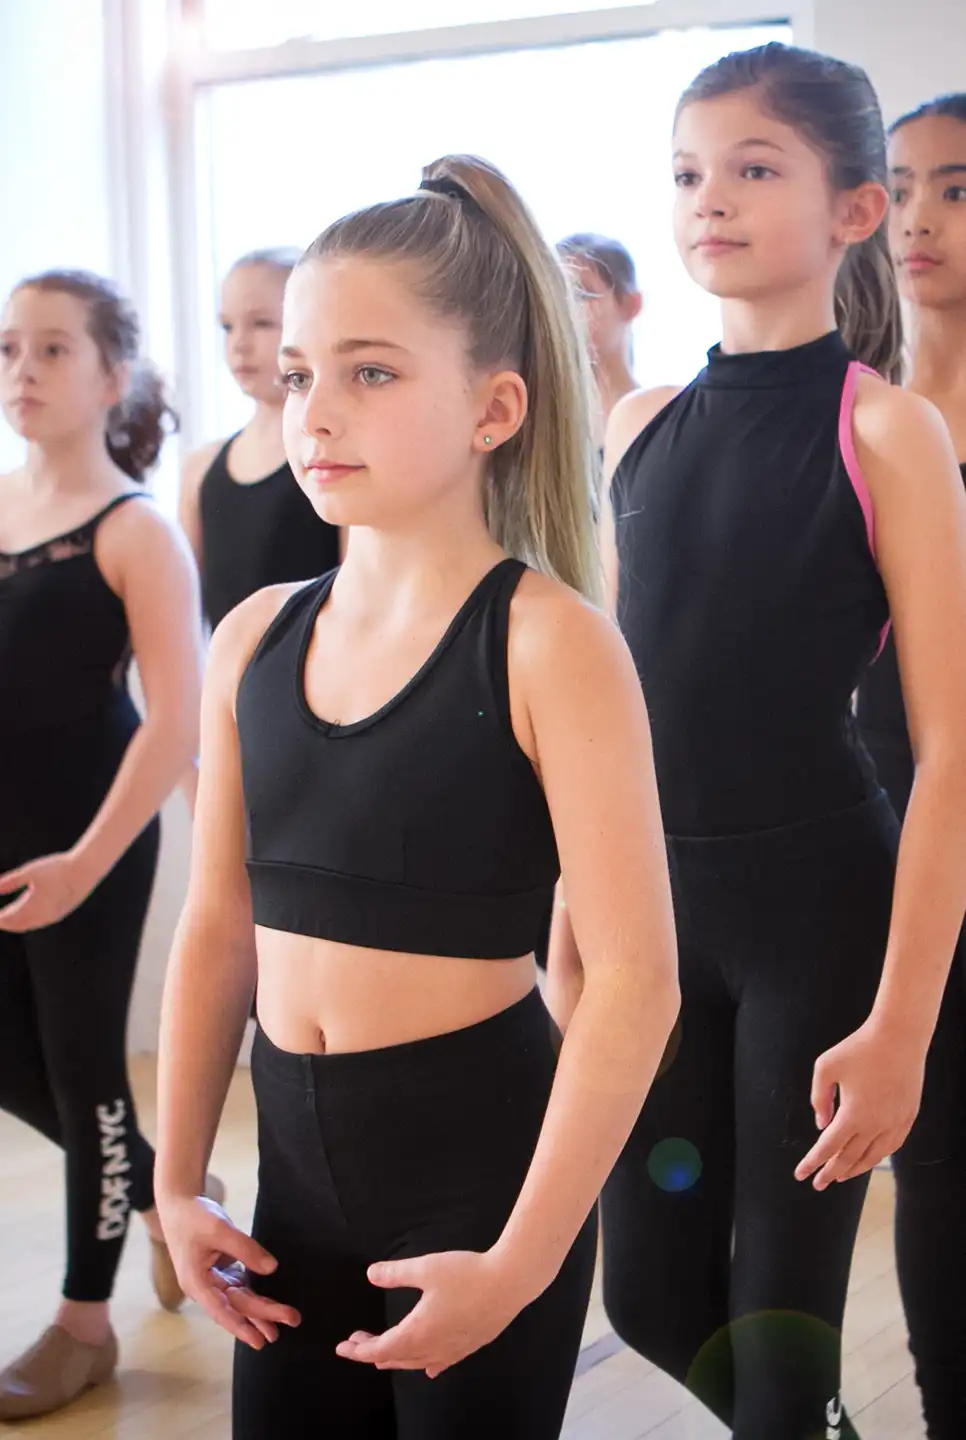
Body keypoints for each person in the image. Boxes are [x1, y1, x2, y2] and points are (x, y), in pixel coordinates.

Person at [154, 155, 679, 1440]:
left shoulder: (552, 641)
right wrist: (174, 1183)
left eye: (370, 373)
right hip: (291, 1208)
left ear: (495, 408)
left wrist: (521, 1262)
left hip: (481, 1196)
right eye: (298, 375)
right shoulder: (255, 639)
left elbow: (632, 982)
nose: (314, 413)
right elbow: (217, 926)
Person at [548, 44, 966, 1440]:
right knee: (655, 1302)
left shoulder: (886, 432)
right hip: (658, 934)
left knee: (783, 1352)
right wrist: (570, 903)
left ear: (852, 211)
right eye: (685, 171)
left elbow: (952, 744)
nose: (706, 197)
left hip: (814, 927)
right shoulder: (637, 426)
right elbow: (607, 709)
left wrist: (899, 1024)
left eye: (752, 167)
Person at [0, 270, 206, 1419]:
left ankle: (86, 1327)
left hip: (92, 839)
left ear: (111, 377)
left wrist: (83, 862)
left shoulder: (137, 531)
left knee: (87, 1078)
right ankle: (173, 1185)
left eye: (52, 351)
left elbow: (173, 718)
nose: (21, 372)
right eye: (8, 349)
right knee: (40, 1079)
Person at [856, 92, 966, 1439]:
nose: (922, 216)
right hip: (900, 825)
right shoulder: (865, 421)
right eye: (902, 186)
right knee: (936, 1160)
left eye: (957, 185)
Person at [179, 248, 341, 633]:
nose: (239, 343)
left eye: (261, 323)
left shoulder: (333, 454)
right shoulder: (201, 468)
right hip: (231, 686)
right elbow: (187, 614)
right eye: (227, 327)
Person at [557, 233, 642, 436]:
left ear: (630, 306)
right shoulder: (542, 421)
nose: (563, 310)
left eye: (580, 295)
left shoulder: (659, 417)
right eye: (556, 294)